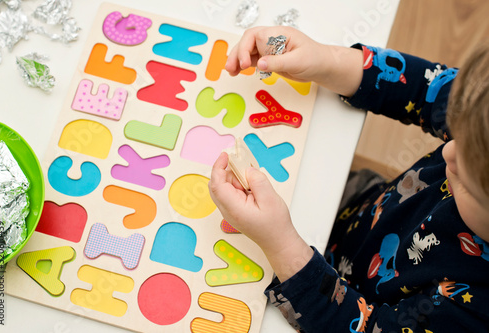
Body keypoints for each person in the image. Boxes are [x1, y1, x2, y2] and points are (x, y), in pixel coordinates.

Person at [208, 26, 489, 332]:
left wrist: (282, 246)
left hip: (335, 303)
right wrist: (328, 59)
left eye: (469, 181)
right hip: (362, 214)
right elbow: (426, 89)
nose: (448, 151)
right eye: (457, 134)